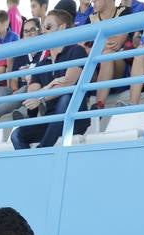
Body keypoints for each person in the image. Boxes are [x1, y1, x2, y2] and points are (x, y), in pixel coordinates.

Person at [10, 8, 89, 148]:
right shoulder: (42, 64)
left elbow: (67, 84)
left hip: (74, 120)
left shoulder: (76, 51)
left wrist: (41, 97)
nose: (44, 32)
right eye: (42, 28)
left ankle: (42, 150)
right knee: (16, 135)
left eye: (48, 27)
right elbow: (31, 95)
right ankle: (36, 163)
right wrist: (49, 86)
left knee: (65, 97)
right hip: (50, 121)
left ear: (62, 28)